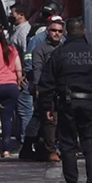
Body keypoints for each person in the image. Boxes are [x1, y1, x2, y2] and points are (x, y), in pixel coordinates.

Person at [39, 18, 92, 183]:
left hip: (67, 105)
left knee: (68, 147)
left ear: (67, 33)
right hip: (90, 105)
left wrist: (47, 107)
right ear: (84, 31)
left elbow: (46, 83)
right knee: (90, 146)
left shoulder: (58, 55)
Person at [29, 15, 64, 162]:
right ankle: (50, 150)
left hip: (62, 88)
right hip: (46, 89)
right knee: (49, 121)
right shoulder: (40, 49)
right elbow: (37, 69)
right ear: (47, 31)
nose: (57, 33)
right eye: (54, 30)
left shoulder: (64, 47)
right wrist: (38, 88)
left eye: (60, 31)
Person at [0, 24, 23, 158]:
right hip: (11, 86)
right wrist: (19, 81)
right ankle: (6, 150)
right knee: (7, 119)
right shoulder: (12, 49)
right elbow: (18, 68)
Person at [8, 3, 33, 142]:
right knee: (18, 110)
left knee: (25, 110)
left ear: (21, 15)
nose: (11, 16)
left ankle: (26, 140)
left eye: (13, 14)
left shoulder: (24, 32)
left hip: (22, 76)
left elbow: (26, 53)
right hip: (14, 75)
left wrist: (23, 74)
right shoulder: (15, 30)